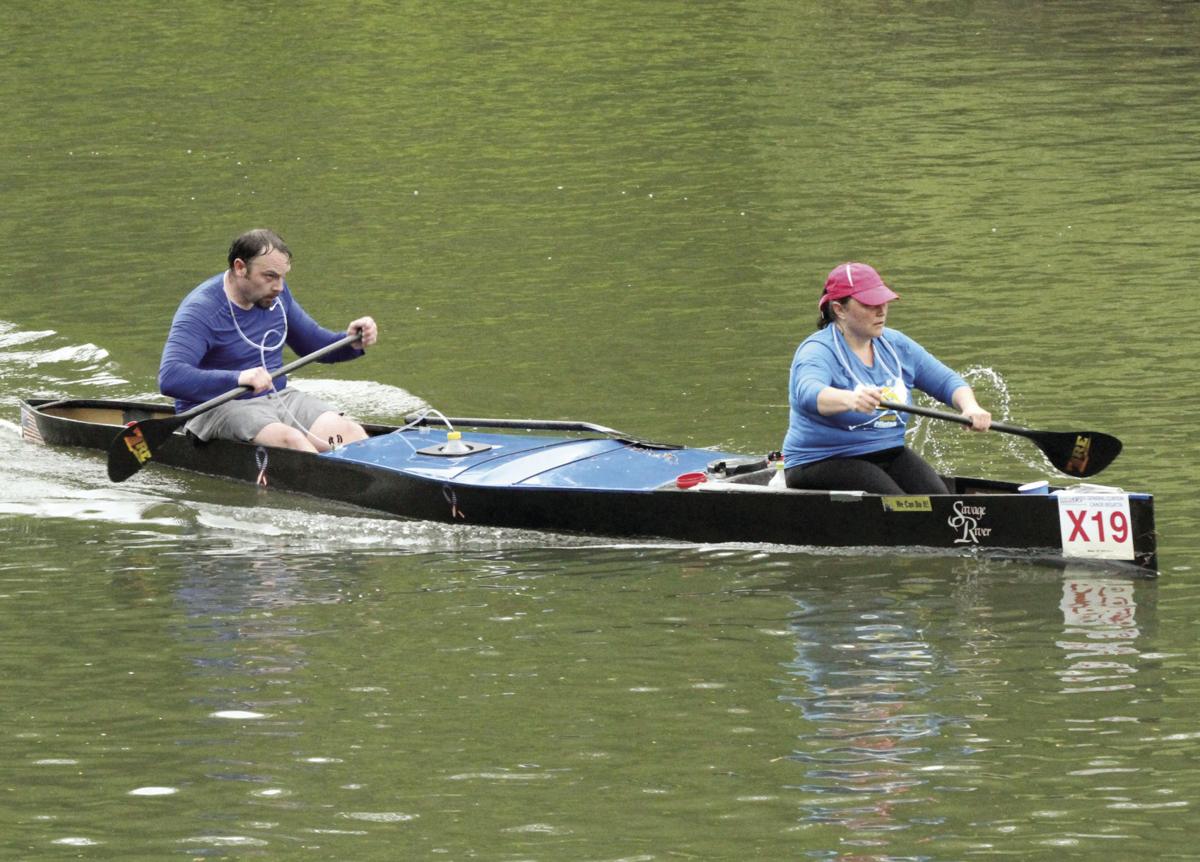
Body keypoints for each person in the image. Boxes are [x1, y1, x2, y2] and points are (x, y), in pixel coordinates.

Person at [158, 229, 379, 452]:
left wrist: (351, 341)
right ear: (240, 267)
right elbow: (171, 377)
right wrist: (238, 378)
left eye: (282, 277)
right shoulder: (201, 310)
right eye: (270, 276)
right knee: (293, 442)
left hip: (279, 398)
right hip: (217, 406)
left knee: (352, 433)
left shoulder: (277, 297)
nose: (279, 287)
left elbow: (314, 345)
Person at [782, 262, 991, 494]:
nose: (881, 311)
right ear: (839, 309)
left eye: (883, 302)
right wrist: (850, 399)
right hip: (821, 460)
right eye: (869, 304)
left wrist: (970, 407)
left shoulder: (895, 345)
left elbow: (946, 381)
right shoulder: (817, 350)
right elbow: (808, 393)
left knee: (939, 502)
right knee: (900, 506)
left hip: (888, 452)